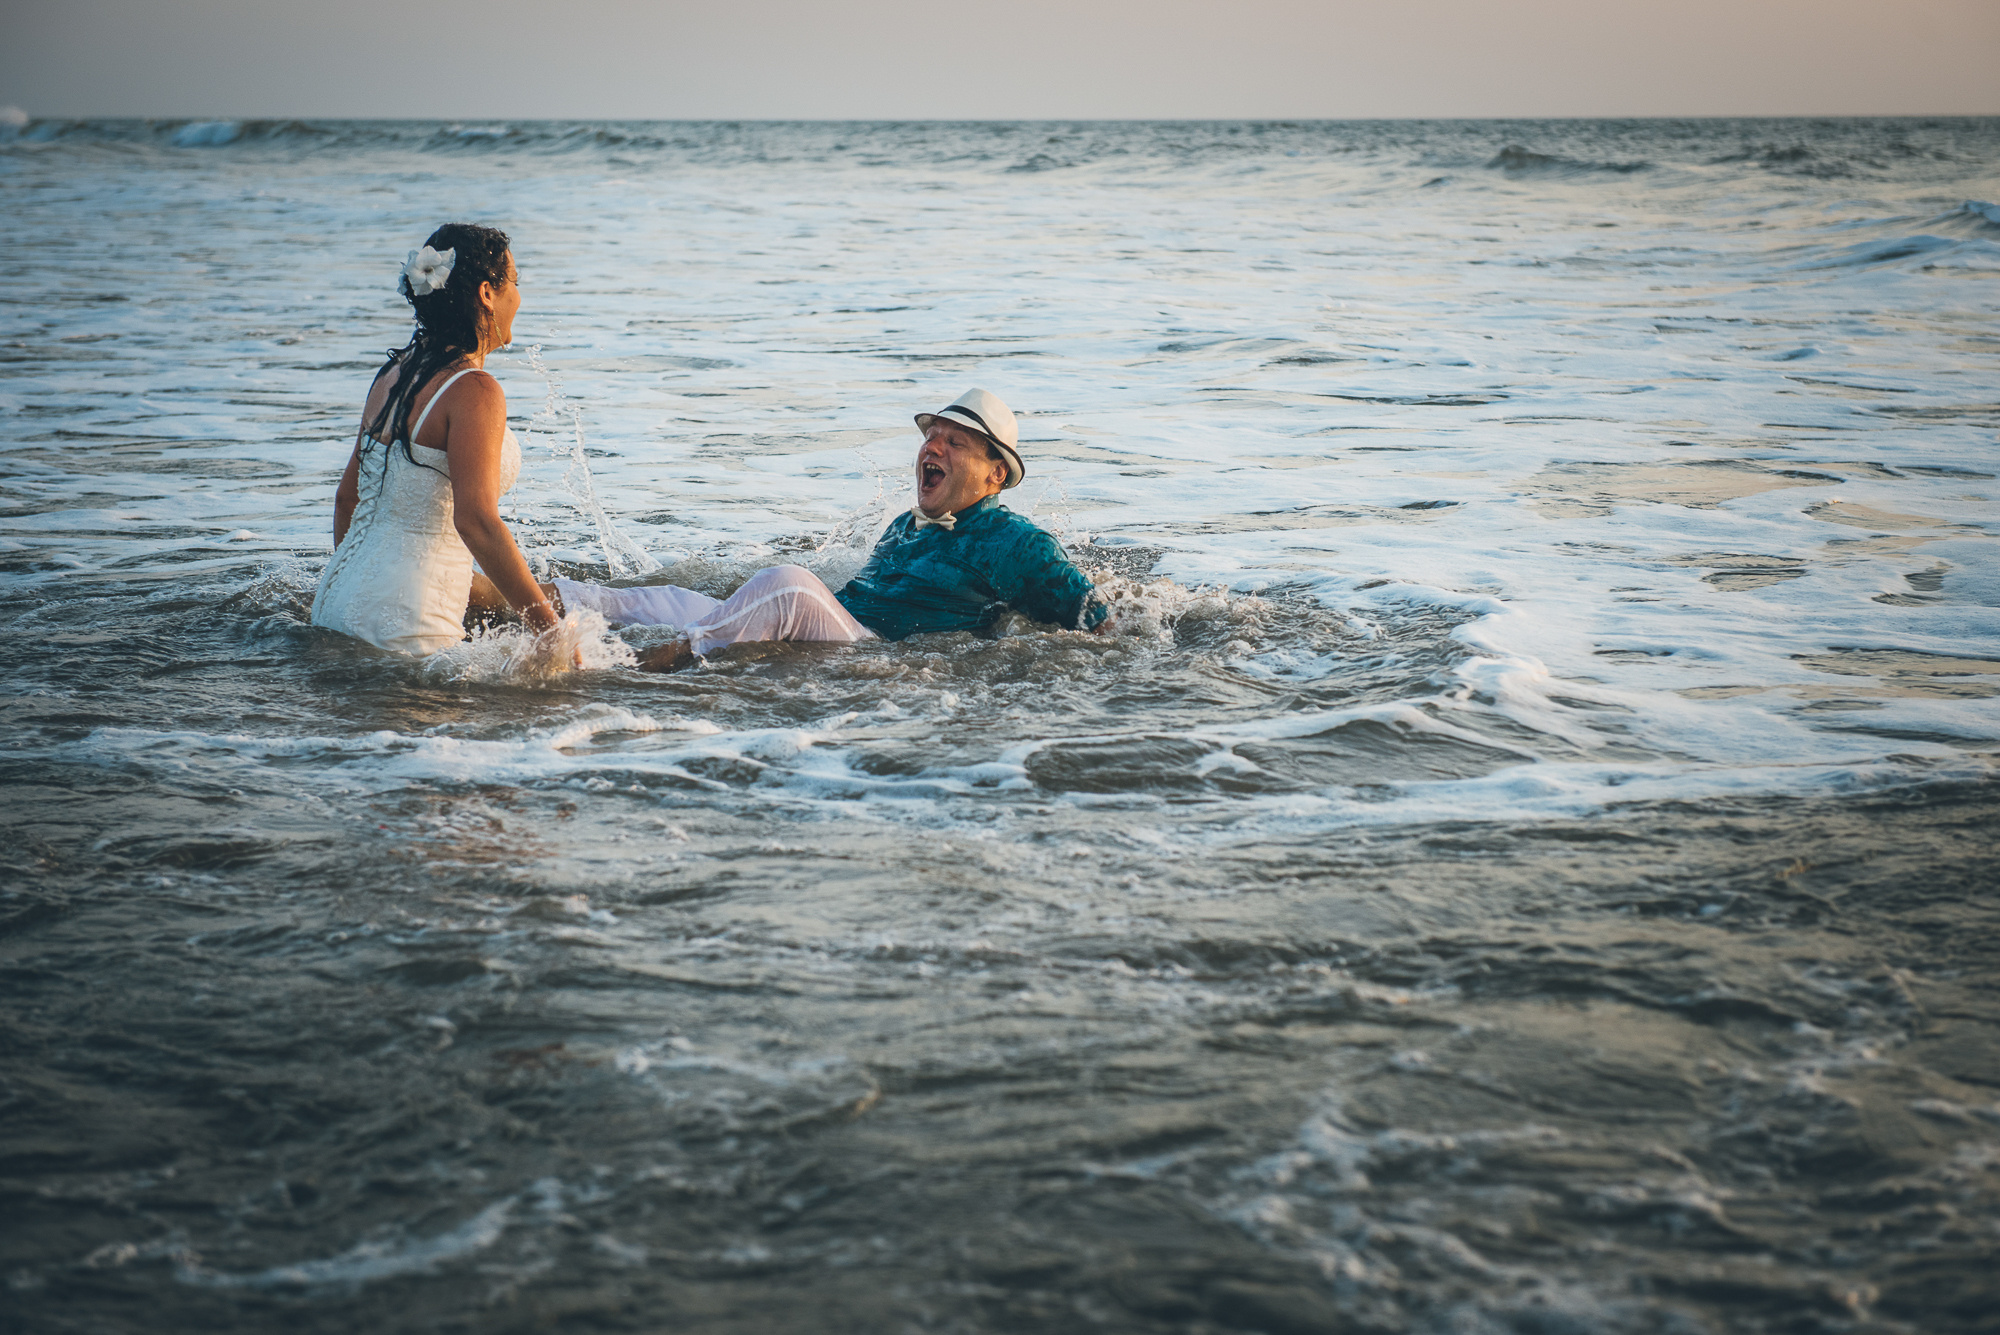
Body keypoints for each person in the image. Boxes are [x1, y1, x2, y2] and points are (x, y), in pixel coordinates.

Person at [550, 389, 1108, 671]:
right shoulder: (902, 526)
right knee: (667, 596)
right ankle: (532, 600)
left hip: (877, 654)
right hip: (840, 630)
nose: (931, 447)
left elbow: (1096, 619)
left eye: (954, 441)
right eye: (930, 436)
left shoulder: (1016, 541)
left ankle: (658, 664)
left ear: (995, 473)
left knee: (787, 584)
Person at [310, 223, 559, 655]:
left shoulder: (393, 374)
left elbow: (346, 500)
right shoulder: (474, 390)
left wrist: (362, 594)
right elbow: (477, 521)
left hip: (333, 609)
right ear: (486, 293)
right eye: (514, 283)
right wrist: (552, 632)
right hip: (410, 624)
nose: (518, 297)